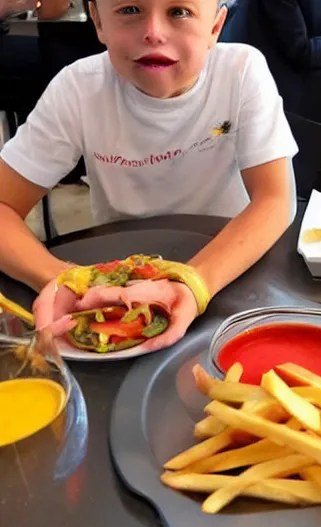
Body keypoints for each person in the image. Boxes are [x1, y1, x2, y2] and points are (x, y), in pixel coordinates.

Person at [0, 0, 298, 351]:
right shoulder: (78, 88)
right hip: (115, 271)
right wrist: (65, 278)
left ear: (215, 28)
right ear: (98, 22)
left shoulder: (242, 70)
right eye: (129, 10)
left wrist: (193, 281)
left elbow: (275, 200)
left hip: (229, 264)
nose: (153, 33)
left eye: (179, 12)